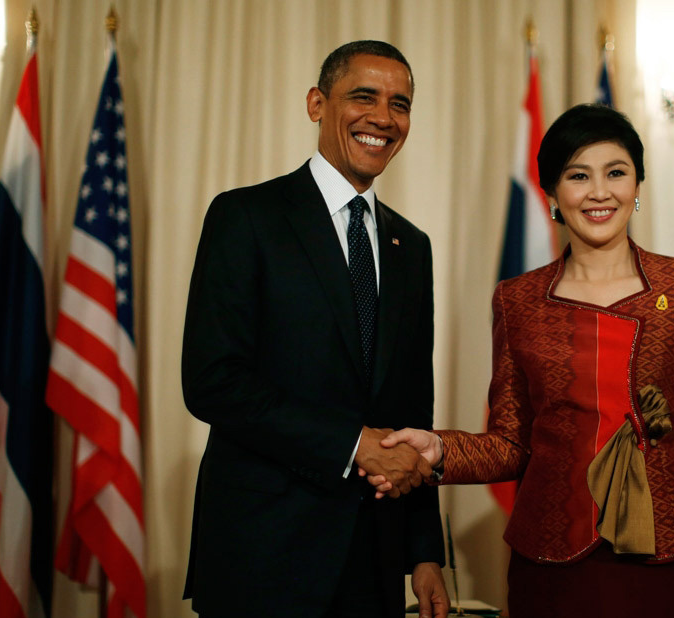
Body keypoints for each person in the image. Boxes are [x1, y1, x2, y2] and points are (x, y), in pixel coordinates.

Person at [370, 104, 674, 618]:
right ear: (552, 192)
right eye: (578, 176)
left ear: (638, 185)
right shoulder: (517, 299)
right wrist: (438, 449)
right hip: (551, 566)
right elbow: (510, 444)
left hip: (668, 560)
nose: (599, 192)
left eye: (616, 173)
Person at [182, 40, 449, 618]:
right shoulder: (245, 217)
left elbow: (412, 411)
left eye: (400, 104)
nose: (383, 118)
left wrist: (426, 551)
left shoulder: (413, 247)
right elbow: (212, 381)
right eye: (363, 96)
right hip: (262, 555)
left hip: (372, 560)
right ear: (316, 103)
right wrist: (354, 446)